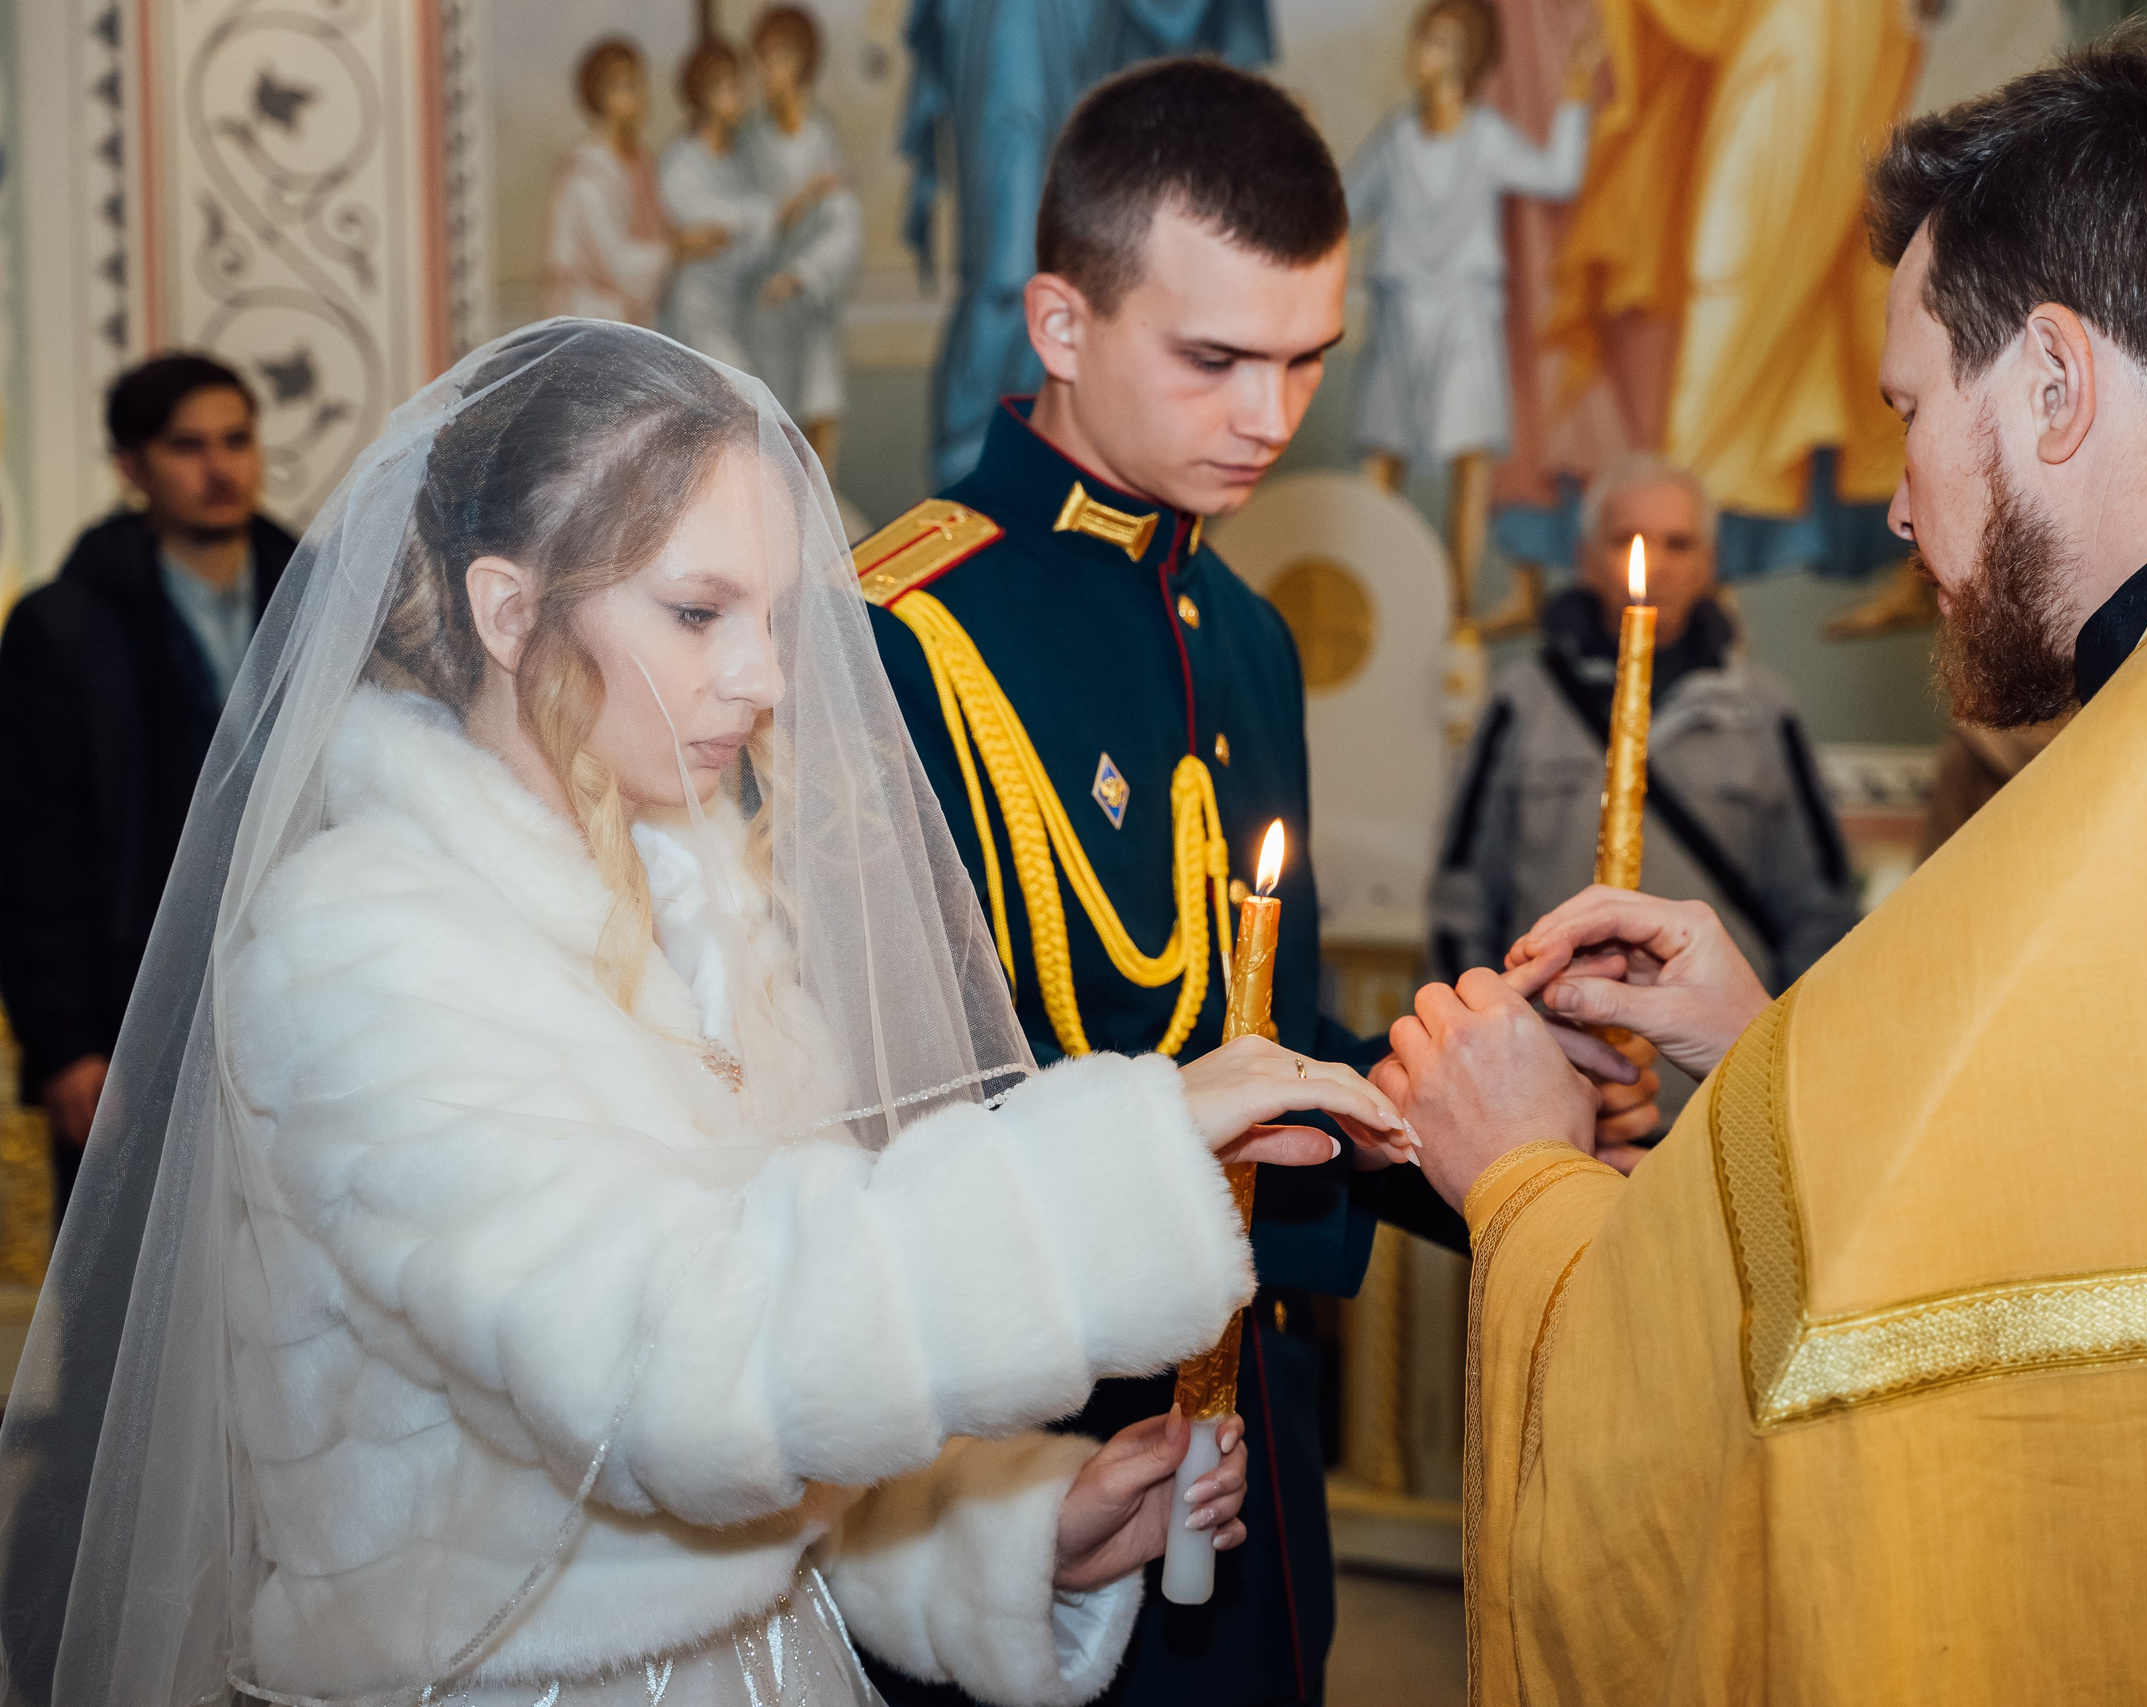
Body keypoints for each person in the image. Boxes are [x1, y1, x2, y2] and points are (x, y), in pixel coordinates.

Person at [1372, 34, 2147, 1701]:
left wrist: (1524, 1180)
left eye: (1910, 412)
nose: (1896, 513)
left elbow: (1730, 1472)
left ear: (2058, 386)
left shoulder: (2144, 798)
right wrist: (1781, 1044)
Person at [0, 320, 1422, 1707]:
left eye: (774, 614)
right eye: (699, 612)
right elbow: (674, 1370)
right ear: (510, 609)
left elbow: (765, 1442)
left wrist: (1004, 1535)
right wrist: (1138, 1141)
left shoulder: (709, 910)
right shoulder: (366, 947)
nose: (767, 674)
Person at [858, 59, 1637, 1707]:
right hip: (1035, 1462)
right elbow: (874, 1129)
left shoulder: (1249, 635)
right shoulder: (900, 636)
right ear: (1060, 323)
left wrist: (1507, 1131)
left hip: (1255, 1449)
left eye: (1306, 363)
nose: (1270, 419)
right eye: (1214, 359)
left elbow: (1273, 1035)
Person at [1428, 452, 1856, 1145]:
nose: (1653, 563)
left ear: (1711, 562)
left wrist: (1784, 1072)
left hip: (1716, 1104)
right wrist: (1481, 1048)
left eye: (1678, 543)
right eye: (1628, 540)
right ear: (1584, 555)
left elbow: (1819, 911)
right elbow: (1463, 897)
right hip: (1547, 1091)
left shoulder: (1762, 713)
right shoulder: (1523, 702)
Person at [0, 354, 295, 1218]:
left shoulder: (326, 598)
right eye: (187, 446)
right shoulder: (63, 629)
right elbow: (30, 852)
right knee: (126, 1295)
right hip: (132, 1019)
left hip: (295, 997)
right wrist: (68, 1043)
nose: (220, 467)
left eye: (237, 440)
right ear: (131, 466)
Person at [896, 0, 1274, 490]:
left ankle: (1046, 457)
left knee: (1079, 248)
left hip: (1086, 21)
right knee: (1007, 265)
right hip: (1003, 20)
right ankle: (969, 464)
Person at [1345, 0, 1591, 630]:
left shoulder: (1486, 138)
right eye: (1420, 41)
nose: (1419, 55)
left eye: (1435, 44)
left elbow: (1557, 176)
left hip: (1465, 319)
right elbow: (1342, 207)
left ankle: (1454, 606)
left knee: (1469, 464)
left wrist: (1573, 98)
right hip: (1400, 315)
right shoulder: (1396, 139)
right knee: (1382, 458)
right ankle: (1373, 589)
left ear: (1463, 59)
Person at [740, 5, 863, 481]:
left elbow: (845, 225)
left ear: (801, 63)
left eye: (777, 59)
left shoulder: (821, 138)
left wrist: (803, 274)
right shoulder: (748, 139)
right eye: (761, 59)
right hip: (759, 307)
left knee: (820, 397)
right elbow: (740, 219)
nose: (766, 72)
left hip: (811, 303)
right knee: (764, 422)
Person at [543, 38, 725, 325]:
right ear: (600, 97)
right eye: (625, 87)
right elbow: (615, 263)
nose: (639, 97)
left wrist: (686, 242)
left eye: (640, 84)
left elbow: (656, 234)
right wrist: (677, 249)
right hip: (590, 320)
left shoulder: (642, 162)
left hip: (632, 318)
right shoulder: (587, 174)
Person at [658, 38, 780, 369]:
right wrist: (760, 219)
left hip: (734, 308)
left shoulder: (739, 161)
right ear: (703, 96)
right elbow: (715, 231)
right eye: (728, 86)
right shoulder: (682, 162)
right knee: (736, 396)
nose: (740, 95)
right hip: (697, 311)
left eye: (740, 84)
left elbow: (748, 236)